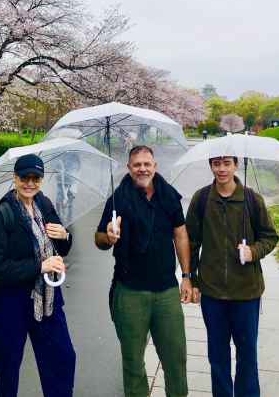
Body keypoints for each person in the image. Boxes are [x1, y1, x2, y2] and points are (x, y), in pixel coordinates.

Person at [95, 145, 192, 397]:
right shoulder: (117, 200)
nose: (142, 169)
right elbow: (98, 239)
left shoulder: (169, 196)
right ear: (129, 168)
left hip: (166, 291)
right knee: (133, 362)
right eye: (137, 164)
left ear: (155, 166)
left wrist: (186, 276)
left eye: (147, 164)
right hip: (129, 291)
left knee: (175, 359)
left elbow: (180, 234)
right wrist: (108, 235)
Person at [0, 154, 76, 397]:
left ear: (41, 180)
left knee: (62, 360)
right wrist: (39, 266)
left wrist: (65, 236)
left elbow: (62, 247)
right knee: (8, 372)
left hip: (48, 302)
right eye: (25, 177)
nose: (30, 183)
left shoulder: (43, 205)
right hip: (9, 307)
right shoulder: (1, 216)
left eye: (36, 178)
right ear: (15, 178)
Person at [186, 156, 279, 397]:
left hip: (246, 292)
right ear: (210, 166)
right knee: (217, 356)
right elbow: (192, 242)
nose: (221, 169)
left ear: (236, 165)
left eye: (226, 163)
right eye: (216, 164)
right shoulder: (202, 199)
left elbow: (270, 237)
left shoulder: (251, 199)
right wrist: (192, 280)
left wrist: (253, 252)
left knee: (247, 356)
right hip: (213, 293)